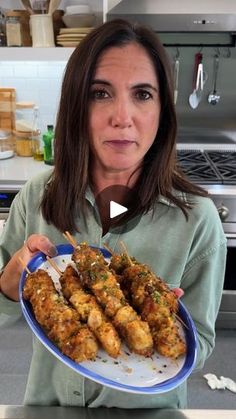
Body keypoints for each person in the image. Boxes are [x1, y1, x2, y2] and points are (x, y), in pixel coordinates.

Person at [0, 19, 226, 408]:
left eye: (142, 94)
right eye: (100, 93)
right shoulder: (37, 197)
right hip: (50, 409)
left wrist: (170, 322)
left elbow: (201, 344)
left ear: (162, 111)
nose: (123, 116)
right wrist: (8, 284)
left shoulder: (198, 220)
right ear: (76, 106)